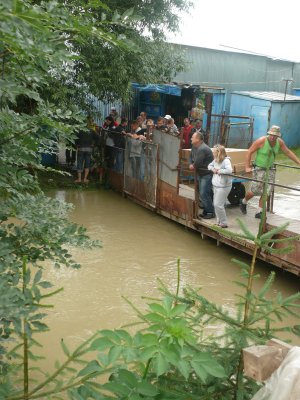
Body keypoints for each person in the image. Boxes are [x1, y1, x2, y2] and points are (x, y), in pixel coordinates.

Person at [240, 125, 300, 219]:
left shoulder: (279, 142)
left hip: (270, 169)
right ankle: (243, 201)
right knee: (255, 190)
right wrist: (247, 167)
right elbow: (249, 152)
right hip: (259, 168)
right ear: (268, 133)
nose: (272, 137)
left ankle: (259, 212)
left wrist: (298, 162)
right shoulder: (261, 140)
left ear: (278, 136)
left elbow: (288, 152)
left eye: (275, 136)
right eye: (271, 135)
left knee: (267, 191)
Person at [189, 131, 215, 219]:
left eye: (193, 137)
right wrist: (191, 164)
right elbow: (191, 157)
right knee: (204, 192)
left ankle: (210, 212)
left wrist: (193, 165)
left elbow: (198, 163)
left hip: (206, 174)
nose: (191, 138)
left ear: (198, 139)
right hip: (200, 173)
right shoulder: (195, 147)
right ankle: (206, 210)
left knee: (204, 193)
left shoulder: (203, 148)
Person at [208, 145, 233, 228]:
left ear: (218, 153)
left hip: (223, 186)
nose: (213, 153)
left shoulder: (226, 161)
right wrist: (213, 169)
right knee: (216, 204)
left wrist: (219, 171)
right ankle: (219, 221)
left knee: (218, 204)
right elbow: (209, 166)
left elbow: (229, 170)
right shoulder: (215, 160)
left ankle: (224, 222)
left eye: (214, 152)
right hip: (216, 185)